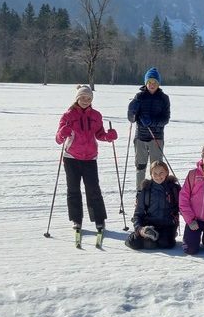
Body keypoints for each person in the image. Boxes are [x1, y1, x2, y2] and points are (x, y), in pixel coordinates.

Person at [55, 84, 118, 235]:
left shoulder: (96, 115)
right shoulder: (68, 116)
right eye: (83, 97)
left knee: (93, 189)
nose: (85, 100)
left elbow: (99, 134)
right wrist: (63, 132)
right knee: (73, 190)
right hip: (71, 157)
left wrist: (109, 136)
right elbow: (58, 139)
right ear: (77, 98)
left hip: (90, 157)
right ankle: (76, 219)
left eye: (88, 98)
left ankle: (99, 219)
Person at [127, 67, 171, 190]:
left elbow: (165, 119)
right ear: (146, 83)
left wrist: (152, 122)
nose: (152, 85)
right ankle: (140, 193)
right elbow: (131, 119)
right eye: (149, 82)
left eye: (155, 82)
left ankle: (157, 192)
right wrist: (131, 111)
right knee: (140, 167)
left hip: (156, 137)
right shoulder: (139, 96)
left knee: (157, 169)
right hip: (140, 137)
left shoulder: (163, 98)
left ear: (158, 84)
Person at [125, 160, 181, 251]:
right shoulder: (146, 190)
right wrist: (140, 229)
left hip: (167, 225)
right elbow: (138, 213)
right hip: (149, 224)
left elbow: (183, 207)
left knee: (165, 244)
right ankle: (148, 235)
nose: (158, 176)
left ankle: (165, 236)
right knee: (134, 243)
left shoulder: (174, 189)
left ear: (167, 172)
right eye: (155, 173)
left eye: (161, 173)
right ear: (151, 174)